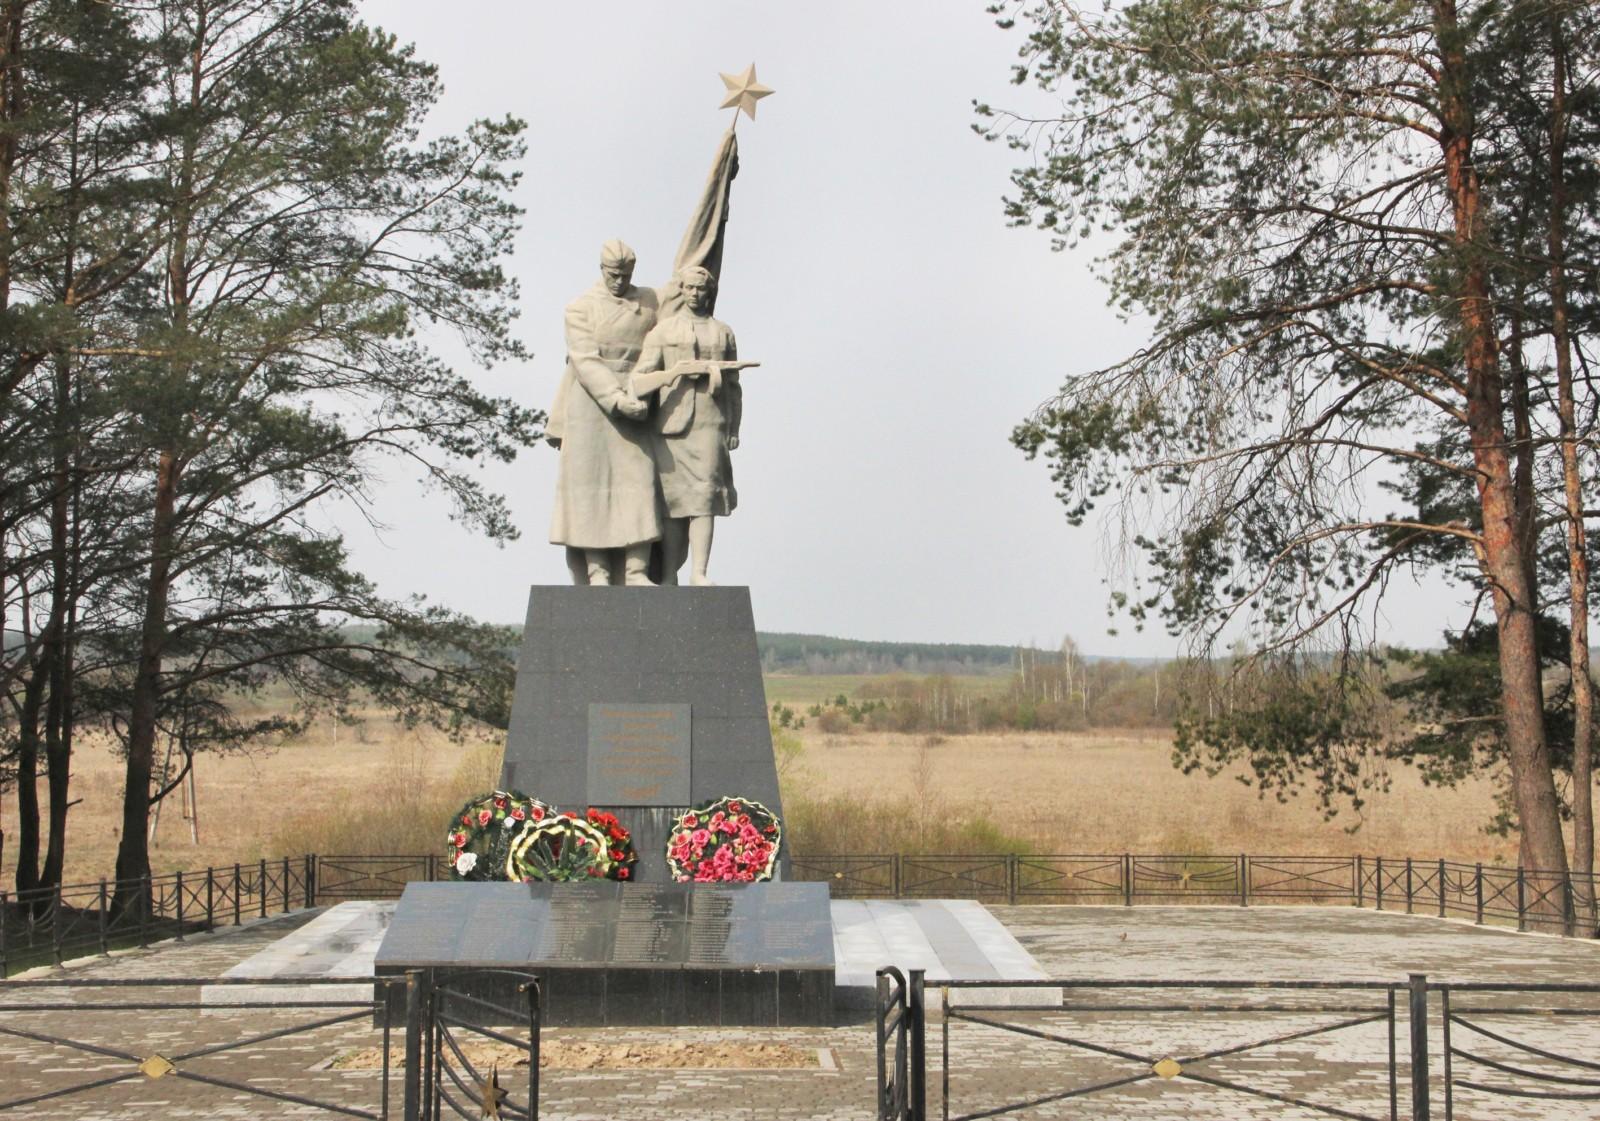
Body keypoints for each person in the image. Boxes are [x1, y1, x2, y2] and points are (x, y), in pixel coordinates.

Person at [548, 240, 662, 585]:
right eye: (614, 274)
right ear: (602, 269)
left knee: (639, 482)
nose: (619, 281)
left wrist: (639, 390)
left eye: (626, 275)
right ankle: (597, 570)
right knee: (590, 486)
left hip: (637, 395)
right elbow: (585, 360)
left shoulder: (650, 302)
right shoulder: (580, 308)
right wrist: (615, 399)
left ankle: (636, 569)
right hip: (591, 402)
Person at [630, 265, 741, 585]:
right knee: (674, 503)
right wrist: (676, 372)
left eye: (701, 289)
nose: (695, 294)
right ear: (682, 290)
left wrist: (734, 427)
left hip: (710, 424)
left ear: (710, 292)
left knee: (704, 498)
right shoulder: (664, 331)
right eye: (689, 288)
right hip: (671, 425)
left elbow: (734, 387)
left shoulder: (724, 332)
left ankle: (699, 572)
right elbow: (639, 379)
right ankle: (668, 575)